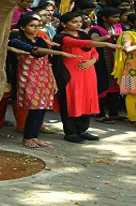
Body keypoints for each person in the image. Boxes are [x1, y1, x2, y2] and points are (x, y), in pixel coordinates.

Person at [52, 11, 124, 143]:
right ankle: (70, 131)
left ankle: (82, 130)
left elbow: (95, 53)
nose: (78, 24)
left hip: (88, 72)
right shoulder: (61, 37)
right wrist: (108, 44)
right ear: (63, 24)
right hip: (70, 73)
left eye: (80, 21)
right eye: (74, 22)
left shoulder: (83, 34)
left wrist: (91, 61)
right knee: (71, 100)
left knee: (87, 99)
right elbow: (82, 44)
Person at [9, 14, 78, 148]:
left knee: (42, 108)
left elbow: (47, 62)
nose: (35, 29)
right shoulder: (17, 41)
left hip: (44, 76)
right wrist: (62, 53)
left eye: (37, 26)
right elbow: (35, 51)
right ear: (22, 27)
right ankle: (27, 137)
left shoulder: (40, 40)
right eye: (32, 26)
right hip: (27, 76)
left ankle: (34, 137)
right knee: (34, 107)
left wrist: (53, 80)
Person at [113, 12, 136, 127]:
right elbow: (127, 49)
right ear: (131, 23)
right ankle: (133, 118)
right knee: (132, 94)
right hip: (133, 68)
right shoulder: (128, 34)